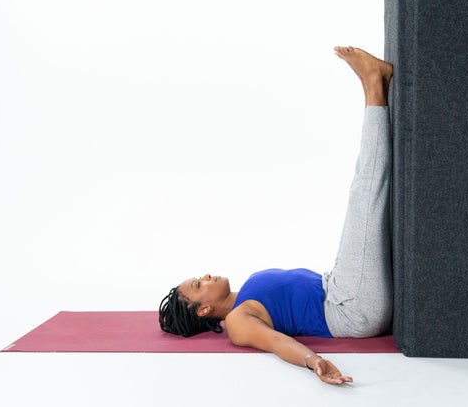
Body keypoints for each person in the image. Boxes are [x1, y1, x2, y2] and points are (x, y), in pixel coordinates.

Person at [158, 46, 393, 385]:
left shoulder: (245, 297)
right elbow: (276, 343)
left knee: (363, 198)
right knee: (365, 194)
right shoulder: (239, 322)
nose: (206, 276)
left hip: (339, 286)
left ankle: (373, 86)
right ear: (204, 311)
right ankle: (374, 84)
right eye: (199, 284)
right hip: (351, 309)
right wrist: (314, 362)